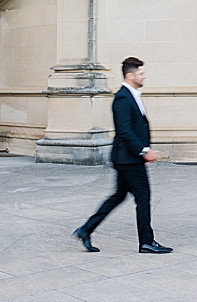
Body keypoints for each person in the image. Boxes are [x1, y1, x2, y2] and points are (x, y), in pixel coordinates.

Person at [73, 57, 173, 254]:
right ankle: (146, 242)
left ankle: (86, 229)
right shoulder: (122, 98)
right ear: (130, 75)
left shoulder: (132, 95)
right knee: (143, 198)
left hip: (129, 158)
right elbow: (125, 131)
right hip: (128, 159)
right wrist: (144, 151)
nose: (144, 76)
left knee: (118, 196)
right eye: (141, 73)